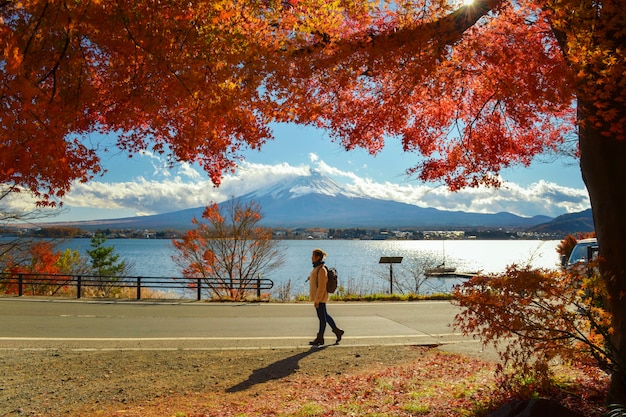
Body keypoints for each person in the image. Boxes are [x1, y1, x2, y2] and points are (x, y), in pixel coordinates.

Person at [308, 248, 344, 346]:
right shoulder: (317, 268)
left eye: (313, 256)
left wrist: (317, 300)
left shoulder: (322, 269)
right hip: (318, 297)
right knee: (325, 316)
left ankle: (320, 338)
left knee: (322, 318)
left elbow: (322, 286)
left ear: (318, 257)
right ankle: (337, 331)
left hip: (320, 297)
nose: (311, 258)